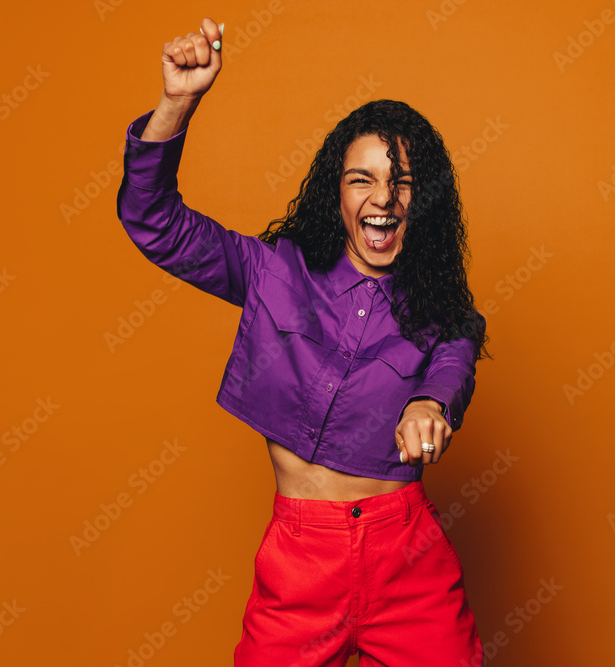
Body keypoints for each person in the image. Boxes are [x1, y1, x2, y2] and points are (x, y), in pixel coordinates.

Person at [116, 17, 492, 666]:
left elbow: (453, 364)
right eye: (362, 178)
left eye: (402, 181)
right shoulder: (273, 271)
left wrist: (426, 405)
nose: (383, 197)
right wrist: (177, 103)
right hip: (299, 561)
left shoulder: (442, 311)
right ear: (336, 191)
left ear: (422, 201)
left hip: (407, 558)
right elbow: (153, 221)